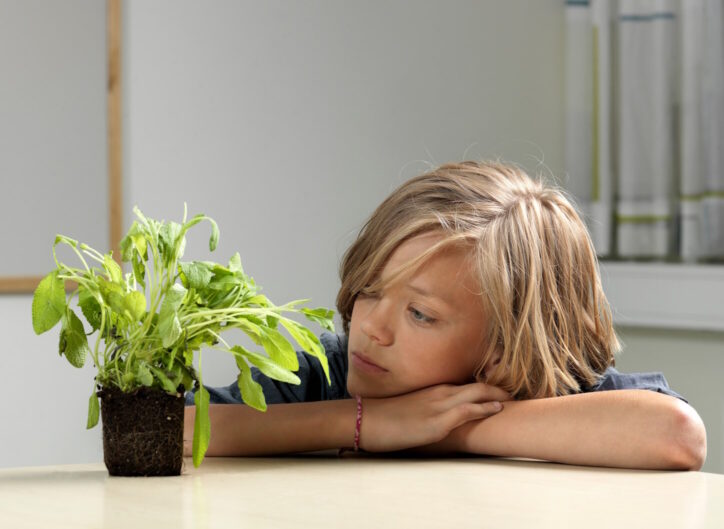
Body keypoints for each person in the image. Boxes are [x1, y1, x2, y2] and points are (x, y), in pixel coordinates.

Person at [184, 160, 707, 469]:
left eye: (419, 314)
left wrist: (444, 430)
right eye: (370, 289)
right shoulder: (331, 373)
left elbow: (677, 435)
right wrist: (366, 424)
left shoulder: (546, 392)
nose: (370, 326)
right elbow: (174, 430)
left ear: (505, 346)